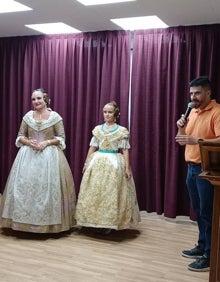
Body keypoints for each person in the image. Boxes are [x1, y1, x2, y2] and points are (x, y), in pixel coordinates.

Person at [0, 88, 76, 233]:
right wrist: (29, 143)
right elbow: (20, 136)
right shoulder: (28, 116)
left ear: (45, 99)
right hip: (27, 156)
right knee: (25, 188)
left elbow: (61, 138)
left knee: (47, 189)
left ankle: (49, 225)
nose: (36, 102)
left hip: (50, 157)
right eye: (34, 99)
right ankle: (22, 223)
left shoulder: (55, 117)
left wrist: (46, 143)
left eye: (39, 98)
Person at [75, 101, 140, 235]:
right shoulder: (98, 129)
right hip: (97, 161)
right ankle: (92, 221)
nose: (107, 114)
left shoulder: (121, 131)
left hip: (114, 163)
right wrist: (87, 163)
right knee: (95, 191)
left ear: (115, 113)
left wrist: (128, 168)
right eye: (105, 112)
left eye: (110, 112)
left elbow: (125, 150)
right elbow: (92, 147)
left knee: (110, 192)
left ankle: (109, 222)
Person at [175, 76, 220, 271]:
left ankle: (210, 255)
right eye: (191, 93)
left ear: (208, 93)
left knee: (208, 213)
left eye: (198, 93)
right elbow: (181, 139)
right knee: (199, 212)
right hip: (191, 168)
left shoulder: (217, 112)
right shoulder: (192, 111)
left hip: (207, 170)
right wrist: (181, 126)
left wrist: (197, 141)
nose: (194, 97)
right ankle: (202, 245)